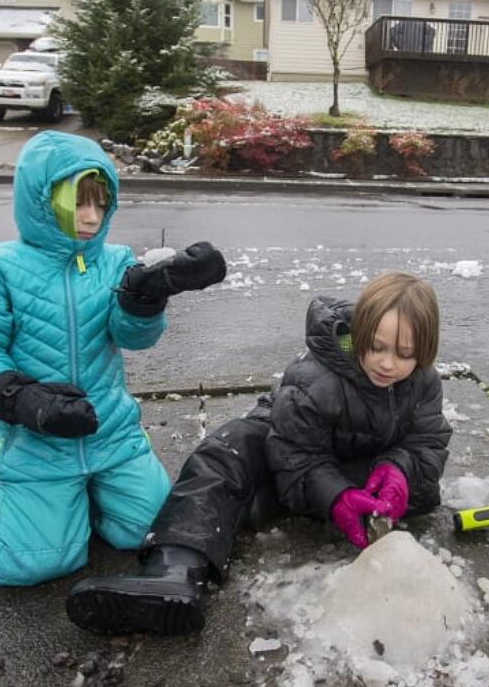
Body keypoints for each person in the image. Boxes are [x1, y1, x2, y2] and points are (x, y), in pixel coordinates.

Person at [66, 271, 452, 636]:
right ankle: (174, 569)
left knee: (422, 492)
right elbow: (294, 451)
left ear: (425, 352)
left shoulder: (422, 383)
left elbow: (428, 442)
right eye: (377, 346)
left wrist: (399, 470)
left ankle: (290, 502)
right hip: (286, 444)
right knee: (228, 453)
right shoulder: (317, 378)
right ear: (360, 333)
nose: (387, 363)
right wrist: (333, 493)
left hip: (351, 464)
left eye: (404, 354)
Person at [0, 130, 226, 587]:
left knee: (153, 532)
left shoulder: (114, 261)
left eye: (101, 204)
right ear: (42, 198)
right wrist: (23, 401)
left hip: (111, 434)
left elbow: (133, 338)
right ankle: (23, 498)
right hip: (38, 445)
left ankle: (90, 498)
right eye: (79, 202)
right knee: (28, 565)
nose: (92, 217)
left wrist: (147, 296)